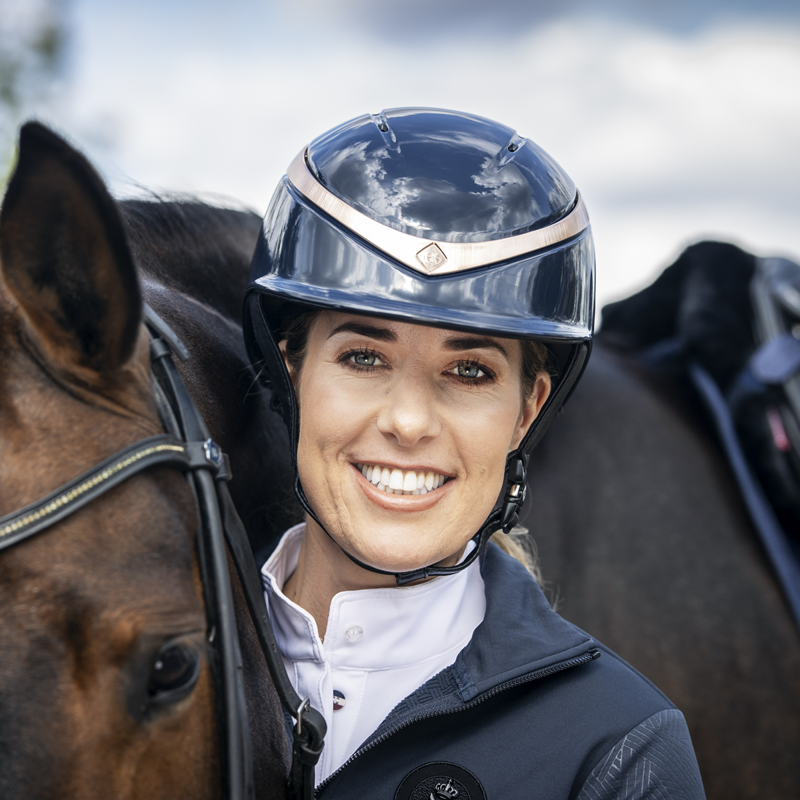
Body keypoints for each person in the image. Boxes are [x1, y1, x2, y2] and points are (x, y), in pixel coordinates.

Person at [244, 107, 705, 799]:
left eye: (469, 371)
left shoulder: (619, 747)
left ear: (527, 411)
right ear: (291, 375)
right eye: (364, 357)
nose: (408, 422)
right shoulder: (141, 659)